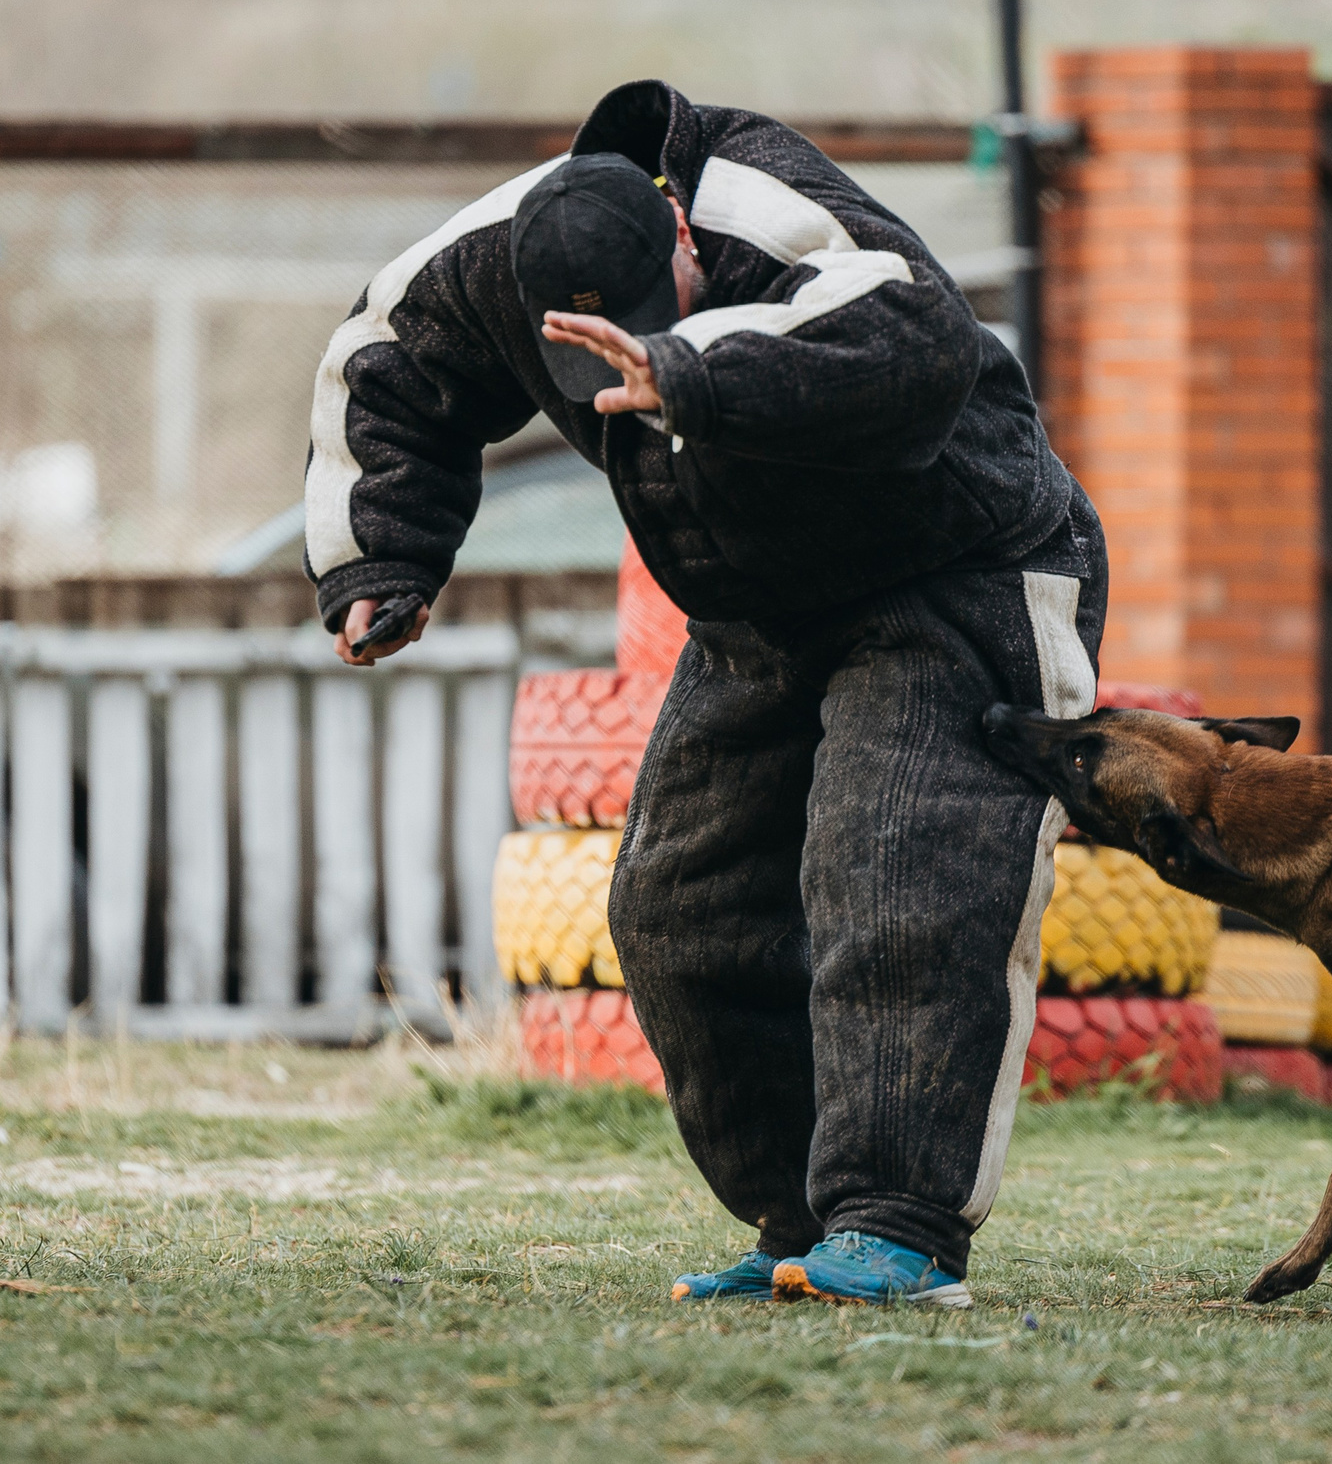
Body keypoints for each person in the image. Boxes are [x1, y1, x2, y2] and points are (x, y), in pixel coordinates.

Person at [305, 79, 1104, 1308]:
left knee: (897, 873)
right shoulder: (486, 252)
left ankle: (897, 1226)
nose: (605, 361)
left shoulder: (767, 211)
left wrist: (689, 369)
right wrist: (384, 559)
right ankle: (803, 1228)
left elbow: (917, 338)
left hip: (957, 573)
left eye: (637, 319)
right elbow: (381, 361)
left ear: (680, 239)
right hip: (758, 606)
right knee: (680, 910)